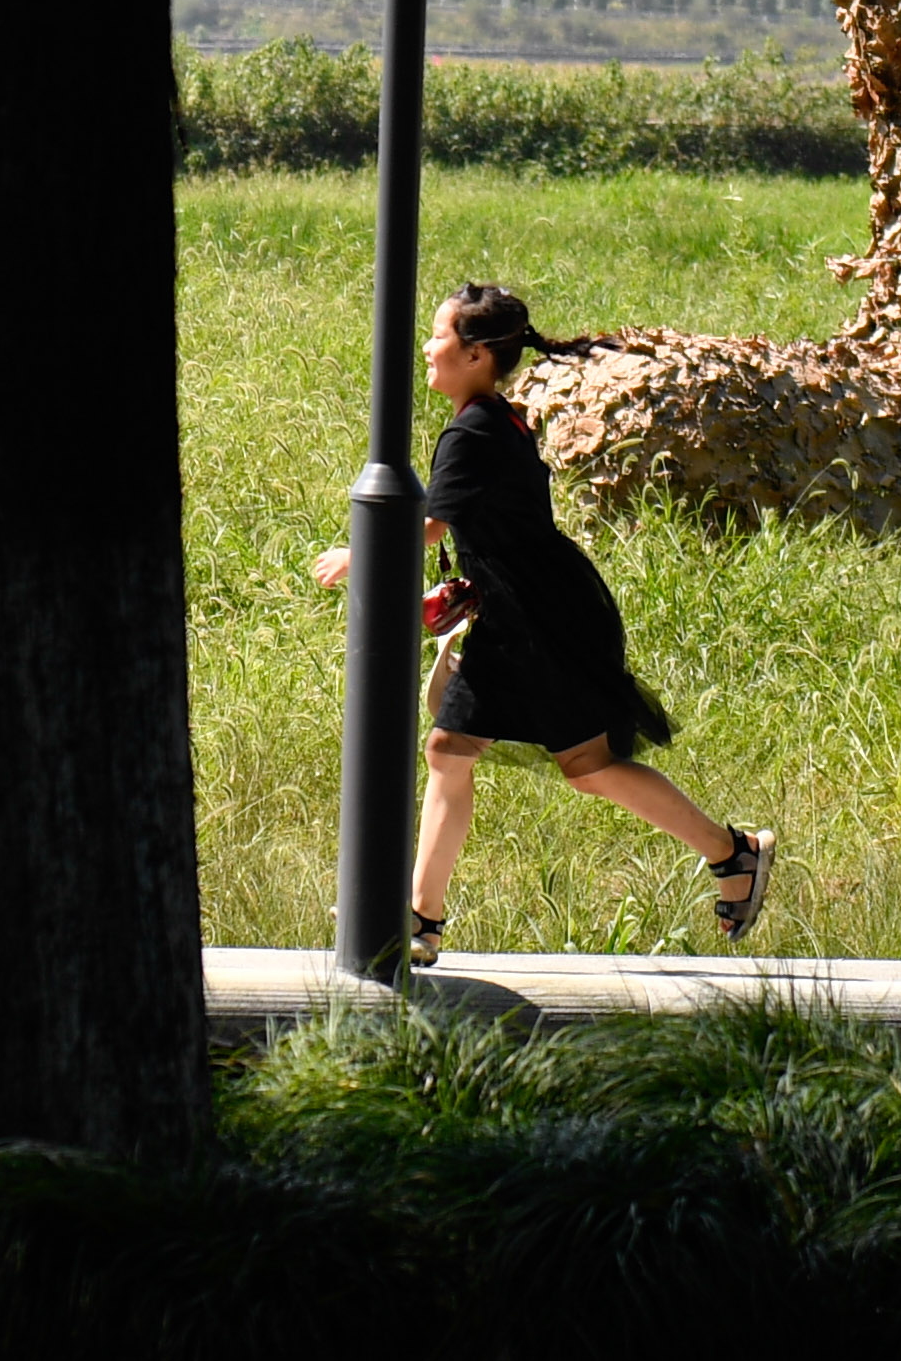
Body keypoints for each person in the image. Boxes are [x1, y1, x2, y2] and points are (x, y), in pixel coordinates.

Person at [314, 282, 772, 967]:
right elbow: (493, 528)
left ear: (474, 355)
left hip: (539, 625)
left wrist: (359, 553)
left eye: (438, 336)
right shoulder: (497, 416)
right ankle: (421, 919)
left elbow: (429, 521)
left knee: (515, 757)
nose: (427, 349)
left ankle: (421, 919)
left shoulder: (472, 430)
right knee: (533, 760)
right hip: (536, 613)